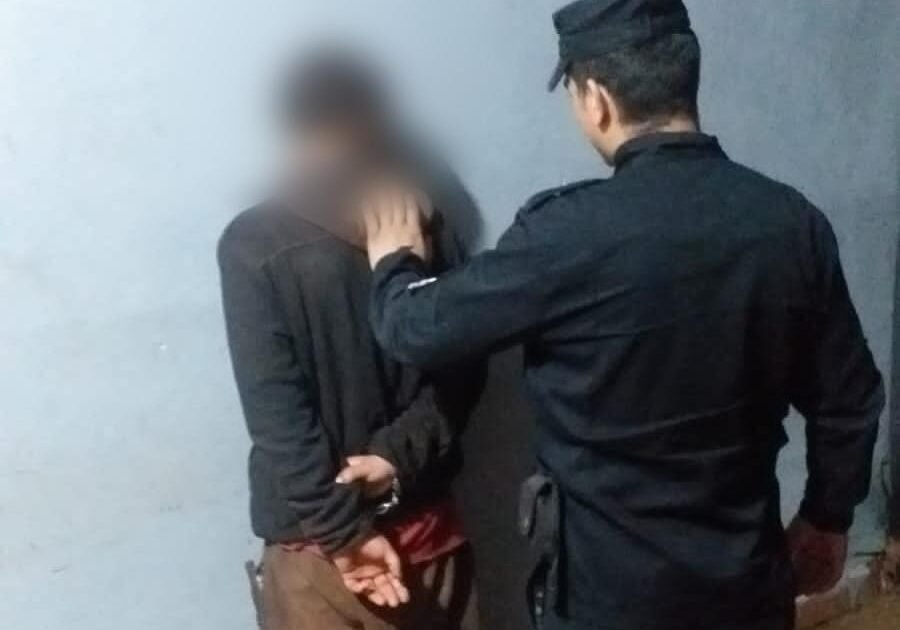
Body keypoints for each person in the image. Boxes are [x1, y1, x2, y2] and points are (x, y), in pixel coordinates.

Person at [359, 1, 885, 629]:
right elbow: (849, 400)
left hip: (607, 601)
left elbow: (416, 330)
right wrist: (827, 517)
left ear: (597, 100)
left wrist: (394, 262)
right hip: (745, 587)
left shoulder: (563, 235)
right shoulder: (791, 224)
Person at [217, 49, 482, 630]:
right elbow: (462, 377)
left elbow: (277, 415)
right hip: (429, 536)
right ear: (373, 122)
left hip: (320, 560)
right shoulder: (426, 222)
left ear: (292, 130)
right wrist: (394, 457)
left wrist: (343, 533)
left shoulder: (253, 243)